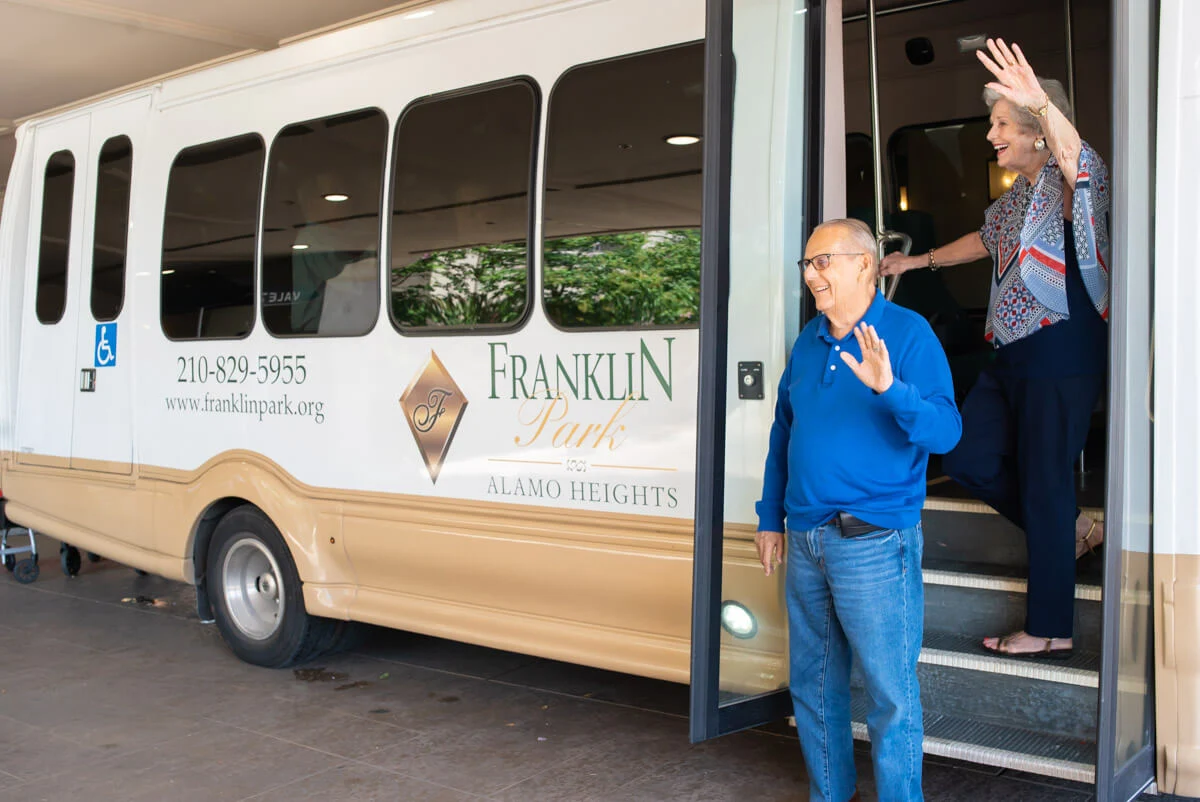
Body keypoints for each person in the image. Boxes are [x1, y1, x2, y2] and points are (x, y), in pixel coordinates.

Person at [880, 39, 1110, 659]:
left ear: (1037, 131)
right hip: (1011, 353)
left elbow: (1078, 158)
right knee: (967, 451)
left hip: (1062, 351)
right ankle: (1075, 530)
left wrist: (1037, 99)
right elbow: (981, 242)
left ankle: (1051, 629)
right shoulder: (1012, 200)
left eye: (1002, 124)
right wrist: (916, 259)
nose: (990, 135)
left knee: (1044, 481)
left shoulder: (1074, 187)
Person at [756, 218, 962, 802]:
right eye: (806, 264)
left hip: (874, 543)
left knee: (890, 695)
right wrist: (772, 517)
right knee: (814, 688)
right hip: (807, 540)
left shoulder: (909, 334)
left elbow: (946, 432)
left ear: (865, 265)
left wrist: (889, 387)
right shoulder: (808, 340)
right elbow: (783, 434)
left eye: (823, 262)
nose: (811, 275)